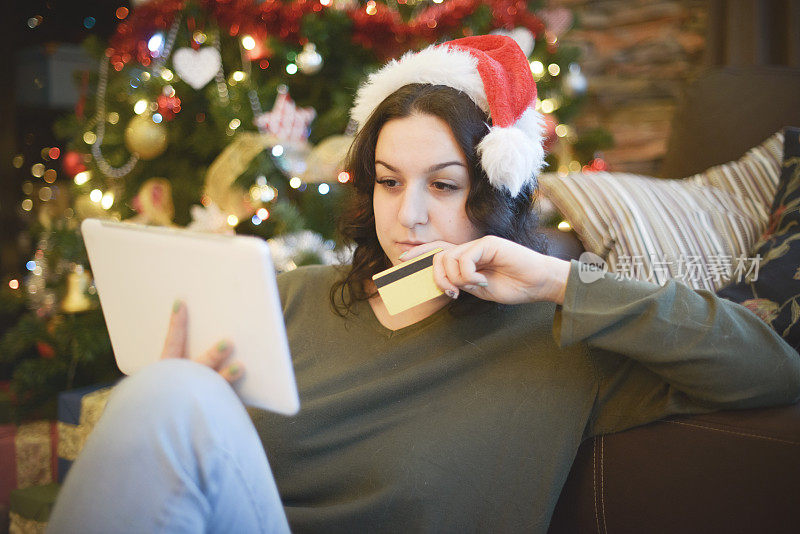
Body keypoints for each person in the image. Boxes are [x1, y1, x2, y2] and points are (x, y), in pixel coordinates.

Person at [48, 35, 800, 533]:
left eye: (443, 185)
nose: (407, 216)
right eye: (387, 181)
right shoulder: (291, 297)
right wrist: (203, 400)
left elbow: (772, 368)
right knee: (170, 392)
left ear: (496, 191)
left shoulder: (566, 343)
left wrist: (563, 282)